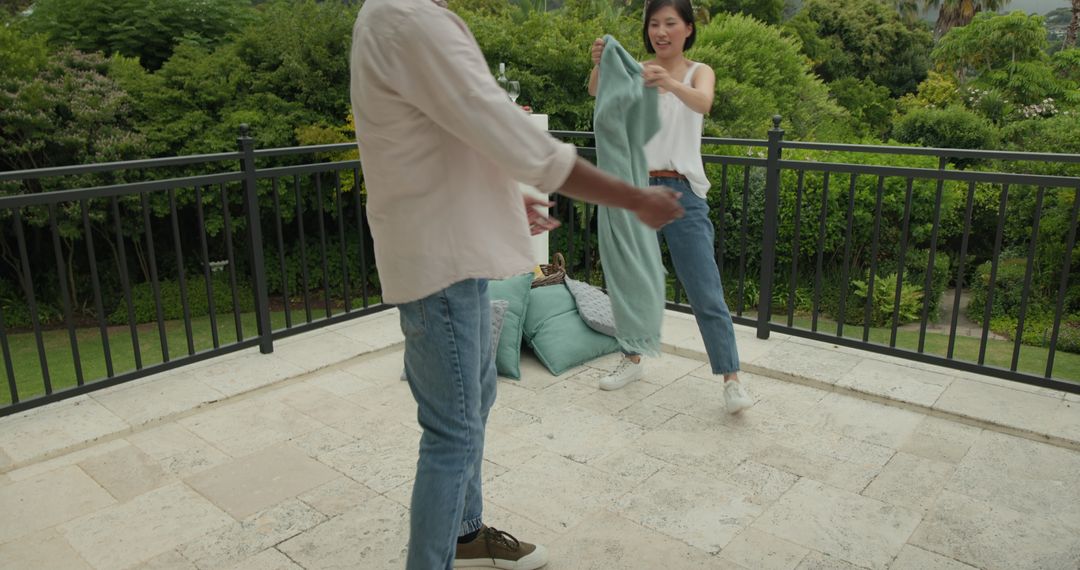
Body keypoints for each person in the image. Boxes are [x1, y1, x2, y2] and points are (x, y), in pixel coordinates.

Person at [349, 2, 684, 569]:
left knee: (474, 404)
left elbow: (448, 136)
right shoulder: (411, 21)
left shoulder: (388, 16)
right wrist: (633, 196)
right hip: (442, 264)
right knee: (452, 433)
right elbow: (509, 134)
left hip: (452, 256)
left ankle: (465, 532)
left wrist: (506, 196)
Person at [587, 0, 753, 414]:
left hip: (682, 195)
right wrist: (598, 64)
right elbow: (596, 91)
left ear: (687, 29)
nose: (661, 31)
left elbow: (704, 102)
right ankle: (632, 357)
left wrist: (671, 84)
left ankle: (731, 379)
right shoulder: (636, 69)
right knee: (630, 281)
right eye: (654, 24)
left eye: (670, 23)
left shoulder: (700, 72)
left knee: (705, 290)